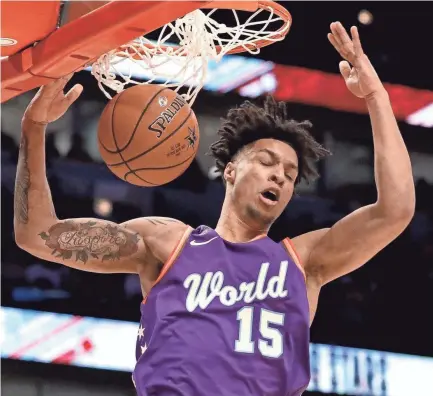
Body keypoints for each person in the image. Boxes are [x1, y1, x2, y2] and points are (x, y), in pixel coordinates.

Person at [14, 22, 415, 396]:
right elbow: (39, 234)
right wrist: (33, 128)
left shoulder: (303, 262)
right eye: (267, 162)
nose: (280, 176)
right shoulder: (167, 243)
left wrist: (377, 98)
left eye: (291, 174)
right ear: (230, 171)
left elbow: (395, 209)